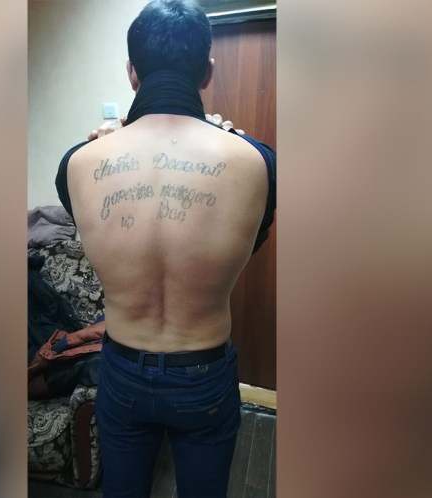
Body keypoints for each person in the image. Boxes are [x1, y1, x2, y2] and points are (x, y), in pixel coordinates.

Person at [54, 1, 276, 496]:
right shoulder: (258, 163)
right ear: (207, 71)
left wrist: (107, 141)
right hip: (205, 375)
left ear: (132, 73)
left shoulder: (77, 164)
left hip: (122, 371)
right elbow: (251, 241)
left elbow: (87, 225)